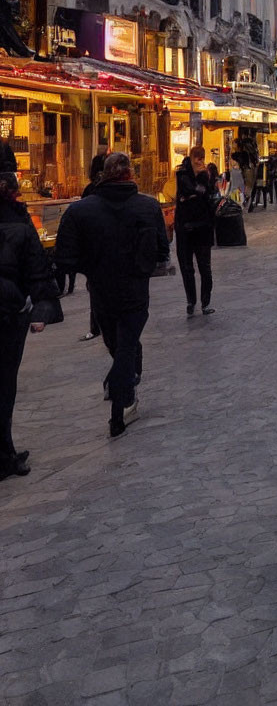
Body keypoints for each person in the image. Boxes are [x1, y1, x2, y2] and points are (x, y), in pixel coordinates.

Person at [55, 153, 169, 438]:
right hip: (134, 291)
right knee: (126, 345)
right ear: (131, 175)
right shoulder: (148, 207)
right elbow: (163, 250)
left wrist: (91, 268)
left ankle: (121, 401)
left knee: (120, 345)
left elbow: (65, 258)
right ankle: (123, 402)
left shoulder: (80, 211)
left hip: (101, 293)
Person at [0, 173, 62, 481]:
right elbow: (37, 268)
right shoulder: (19, 223)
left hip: (11, 310)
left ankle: (5, 449)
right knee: (4, 383)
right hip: (10, 313)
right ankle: (4, 454)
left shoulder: (18, 222)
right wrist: (42, 307)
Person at [174, 146, 215, 316]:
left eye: (202, 157)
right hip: (185, 227)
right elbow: (188, 190)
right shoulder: (182, 172)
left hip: (203, 227)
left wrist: (200, 183)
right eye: (197, 157)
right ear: (191, 157)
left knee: (205, 267)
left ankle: (205, 303)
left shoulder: (206, 172)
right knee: (187, 267)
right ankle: (191, 301)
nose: (200, 161)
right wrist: (196, 190)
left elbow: (208, 193)